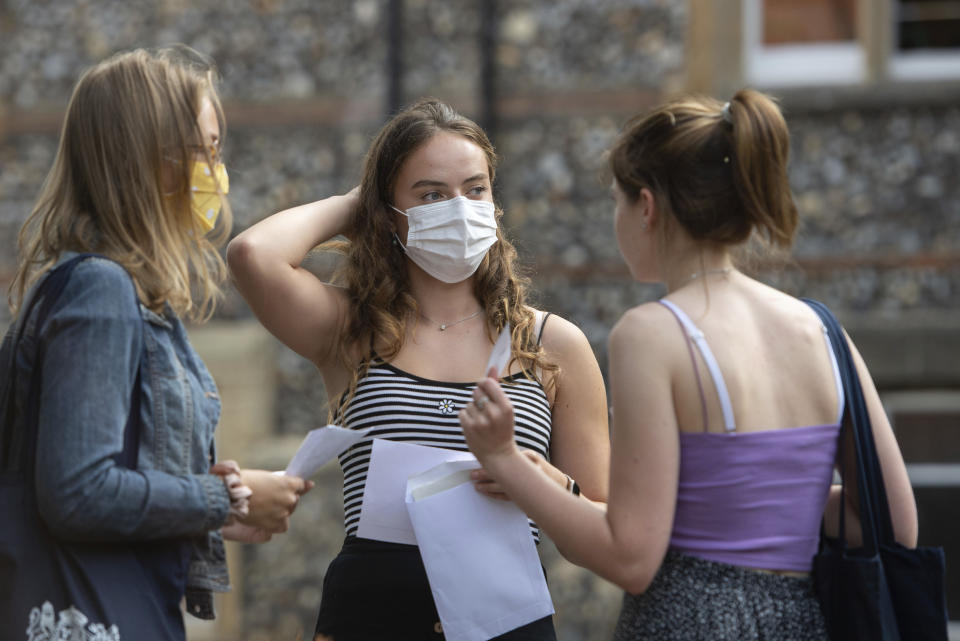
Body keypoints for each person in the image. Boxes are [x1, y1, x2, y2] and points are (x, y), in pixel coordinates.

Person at [460, 89, 919, 640]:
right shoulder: (822, 330)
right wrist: (764, 497)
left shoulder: (654, 333)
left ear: (647, 207)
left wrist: (505, 459)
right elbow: (896, 524)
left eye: (617, 201)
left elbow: (630, 559)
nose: (617, 218)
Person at [227, 98, 610, 640]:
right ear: (388, 212)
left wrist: (549, 484)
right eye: (432, 194)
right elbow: (251, 255)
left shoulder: (550, 343)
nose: (459, 208)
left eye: (475, 190)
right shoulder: (352, 329)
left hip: (503, 619)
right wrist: (356, 202)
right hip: (371, 618)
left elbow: (607, 529)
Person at [0, 46, 310, 639]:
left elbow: (107, 468)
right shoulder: (101, 290)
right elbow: (78, 491)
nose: (217, 172)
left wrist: (210, 502)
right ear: (150, 158)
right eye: (207, 149)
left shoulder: (114, 291)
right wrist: (226, 499)